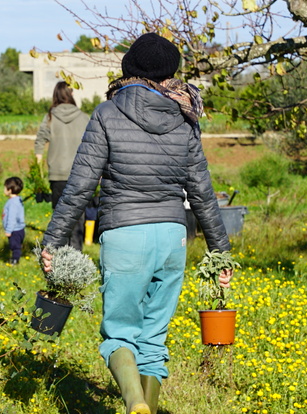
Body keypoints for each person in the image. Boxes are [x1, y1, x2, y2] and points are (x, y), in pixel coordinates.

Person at [40, 33, 232, 414]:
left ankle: (133, 402)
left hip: (125, 235)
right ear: (170, 73)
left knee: (119, 335)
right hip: (173, 239)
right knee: (153, 340)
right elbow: (202, 193)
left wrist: (52, 241)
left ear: (129, 68)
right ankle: (146, 406)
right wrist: (221, 254)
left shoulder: (107, 114)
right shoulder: (186, 118)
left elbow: (79, 186)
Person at [34, 81, 90, 250]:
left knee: (59, 218)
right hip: (80, 174)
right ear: (71, 94)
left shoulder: (50, 118)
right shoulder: (84, 117)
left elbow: (39, 142)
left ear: (55, 95)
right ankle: (76, 255)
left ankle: (60, 256)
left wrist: (38, 172)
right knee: (77, 217)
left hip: (57, 175)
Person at [2, 176, 26, 265]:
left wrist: (8, 230)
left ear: (10, 190)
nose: (4, 190)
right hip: (19, 229)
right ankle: (14, 259)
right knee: (15, 245)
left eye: (5, 188)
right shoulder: (17, 199)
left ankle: (15, 261)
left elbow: (12, 218)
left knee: (15, 246)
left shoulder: (13, 203)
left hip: (15, 230)